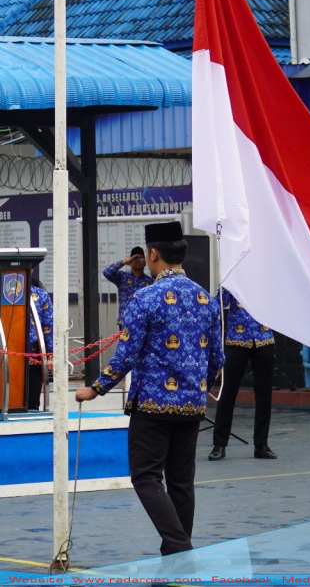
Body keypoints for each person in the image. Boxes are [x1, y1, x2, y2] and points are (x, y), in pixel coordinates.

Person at [77, 221, 224, 556]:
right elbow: (217, 356)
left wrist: (96, 388)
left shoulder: (145, 298)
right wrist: (197, 385)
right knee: (182, 483)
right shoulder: (206, 299)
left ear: (154, 253)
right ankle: (176, 557)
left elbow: (126, 354)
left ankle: (180, 546)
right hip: (191, 406)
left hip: (153, 406)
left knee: (146, 478)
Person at [208, 289, 277, 461]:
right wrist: (224, 284)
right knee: (228, 393)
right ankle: (219, 444)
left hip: (264, 337)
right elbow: (217, 304)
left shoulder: (267, 280)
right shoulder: (233, 277)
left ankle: (261, 445)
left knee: (264, 395)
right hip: (237, 340)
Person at [0, 277, 53, 410]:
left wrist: (50, 353)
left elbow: (48, 327)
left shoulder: (41, 295)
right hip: (7, 357)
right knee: (6, 404)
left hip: (34, 356)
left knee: (32, 405)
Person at [103, 246, 155, 326]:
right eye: (135, 259)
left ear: (145, 263)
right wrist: (123, 262)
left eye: (141, 259)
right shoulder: (122, 277)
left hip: (143, 323)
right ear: (130, 262)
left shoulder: (151, 282)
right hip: (125, 322)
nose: (138, 261)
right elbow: (107, 272)